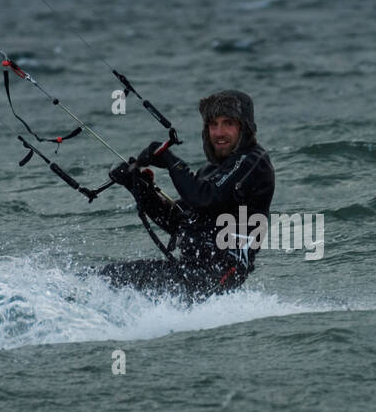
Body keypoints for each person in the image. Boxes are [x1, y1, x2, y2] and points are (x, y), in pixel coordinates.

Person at [99, 90, 275, 302]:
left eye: (228, 123)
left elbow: (205, 197)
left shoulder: (253, 161)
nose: (219, 132)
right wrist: (136, 184)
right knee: (102, 278)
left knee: (106, 284)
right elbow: (176, 221)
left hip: (217, 277)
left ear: (244, 127)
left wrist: (169, 159)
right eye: (213, 124)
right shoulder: (212, 171)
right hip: (188, 271)